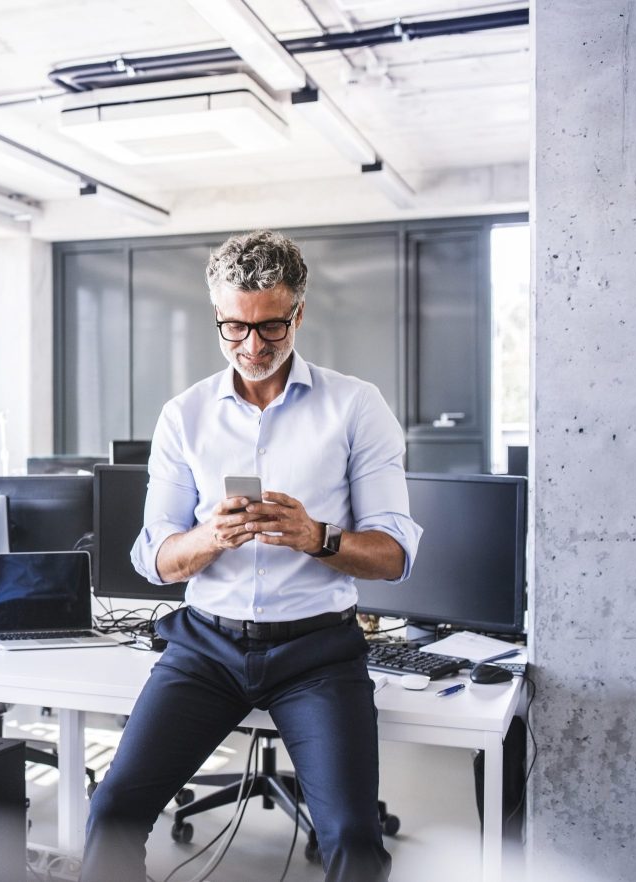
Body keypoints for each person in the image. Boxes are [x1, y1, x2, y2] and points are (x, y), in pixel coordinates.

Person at [81, 230, 421, 882]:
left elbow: (395, 554)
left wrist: (316, 536)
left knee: (354, 834)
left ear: (298, 312)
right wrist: (210, 537)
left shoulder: (354, 407)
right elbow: (153, 558)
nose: (252, 347)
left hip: (317, 654)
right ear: (217, 315)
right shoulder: (185, 416)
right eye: (233, 329)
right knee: (113, 809)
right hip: (205, 648)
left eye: (270, 328)